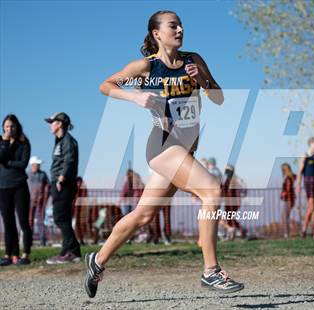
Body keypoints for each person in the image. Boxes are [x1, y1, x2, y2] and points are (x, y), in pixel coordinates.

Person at [84, 10, 244, 298]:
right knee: (211, 190)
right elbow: (105, 85)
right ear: (157, 34)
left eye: (181, 25)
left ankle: (97, 261)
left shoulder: (194, 60)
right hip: (162, 145)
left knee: (143, 215)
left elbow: (218, 98)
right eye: (173, 25)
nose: (180, 29)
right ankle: (211, 271)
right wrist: (135, 96)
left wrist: (204, 78)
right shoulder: (146, 67)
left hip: (184, 148)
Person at [44, 112, 81, 264]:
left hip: (63, 183)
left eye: (52, 122)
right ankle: (68, 251)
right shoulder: (59, 140)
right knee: (62, 218)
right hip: (59, 182)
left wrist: (61, 178)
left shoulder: (67, 140)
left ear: (59, 124)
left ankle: (72, 250)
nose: (50, 124)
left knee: (60, 217)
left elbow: (69, 160)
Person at [0, 114, 32, 265]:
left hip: (19, 185)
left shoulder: (24, 143)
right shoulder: (1, 142)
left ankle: (25, 254)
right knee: (8, 223)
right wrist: (5, 142)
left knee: (23, 221)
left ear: (17, 127)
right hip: (3, 187)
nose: (9, 129)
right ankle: (10, 255)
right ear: (3, 128)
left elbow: (23, 164)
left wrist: (8, 162)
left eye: (12, 126)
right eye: (6, 126)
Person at [297, 137, 314, 239]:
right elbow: (299, 171)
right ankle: (304, 230)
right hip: (308, 183)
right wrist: (298, 185)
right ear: (311, 143)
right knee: (311, 207)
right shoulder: (305, 156)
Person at [28, 156, 50, 246]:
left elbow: (48, 186)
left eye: (39, 164)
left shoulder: (43, 175)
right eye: (38, 164)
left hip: (40, 202)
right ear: (32, 165)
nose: (39, 166)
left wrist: (45, 196)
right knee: (29, 221)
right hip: (29, 201)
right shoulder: (27, 175)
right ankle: (28, 240)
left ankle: (42, 240)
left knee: (41, 221)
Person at [280, 163, 296, 238]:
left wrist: (284, 193)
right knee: (285, 216)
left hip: (288, 199)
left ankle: (286, 234)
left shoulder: (288, 178)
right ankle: (286, 233)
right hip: (290, 199)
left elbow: (288, 189)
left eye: (283, 169)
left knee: (284, 216)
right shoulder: (291, 177)